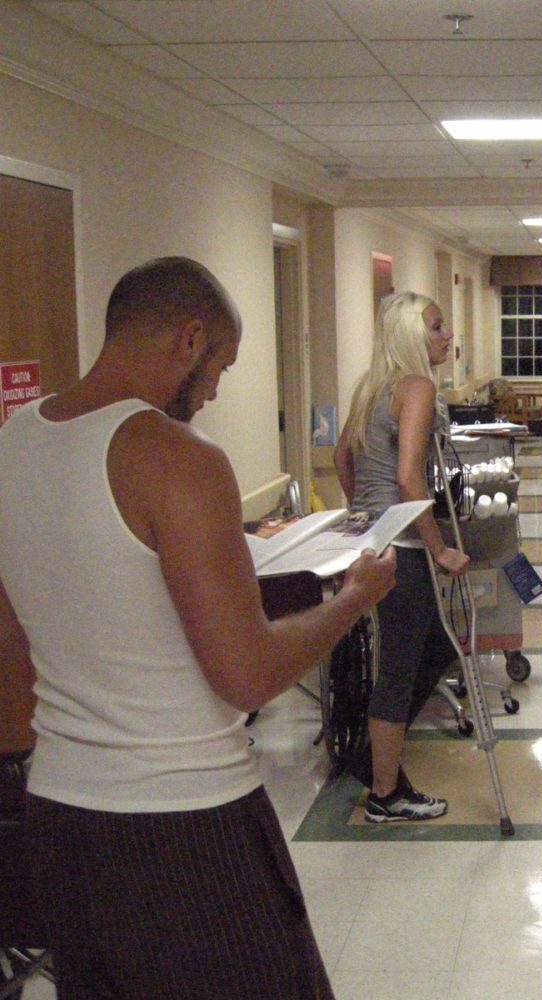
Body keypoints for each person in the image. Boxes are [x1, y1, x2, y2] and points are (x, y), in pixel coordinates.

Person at [0, 257, 398, 999]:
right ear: (189, 339)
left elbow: (15, 636)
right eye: (219, 365)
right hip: (181, 823)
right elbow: (246, 675)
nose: (214, 389)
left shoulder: (13, 442)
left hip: (59, 817)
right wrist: (351, 598)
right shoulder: (177, 458)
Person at [335, 291, 470, 822]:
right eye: (437, 327)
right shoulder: (416, 388)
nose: (447, 335)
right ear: (414, 336)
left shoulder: (370, 389)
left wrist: (362, 511)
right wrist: (440, 549)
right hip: (405, 549)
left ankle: (375, 760)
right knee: (399, 668)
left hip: (374, 542)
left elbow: (342, 455)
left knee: (437, 650)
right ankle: (384, 795)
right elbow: (410, 477)